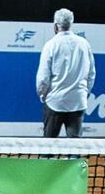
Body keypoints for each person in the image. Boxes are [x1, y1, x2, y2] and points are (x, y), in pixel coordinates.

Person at [36, 9, 95, 138]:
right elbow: (91, 74)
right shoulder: (84, 44)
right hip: (78, 101)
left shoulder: (50, 45)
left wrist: (43, 96)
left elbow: (43, 78)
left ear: (55, 25)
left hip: (54, 102)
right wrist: (84, 93)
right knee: (75, 148)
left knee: (48, 148)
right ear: (71, 24)